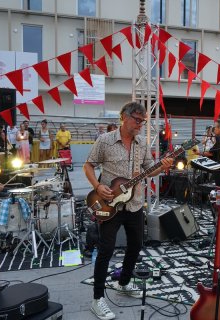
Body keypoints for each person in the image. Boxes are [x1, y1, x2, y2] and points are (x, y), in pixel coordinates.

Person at [83, 102, 173, 320]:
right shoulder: (105, 140)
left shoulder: (142, 143)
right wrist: (97, 186)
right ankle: (98, 299)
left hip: (134, 204)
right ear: (123, 116)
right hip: (109, 204)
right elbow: (88, 165)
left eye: (143, 121)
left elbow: (149, 171)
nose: (140, 125)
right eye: (137, 120)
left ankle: (123, 282)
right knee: (106, 250)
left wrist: (164, 166)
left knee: (136, 246)